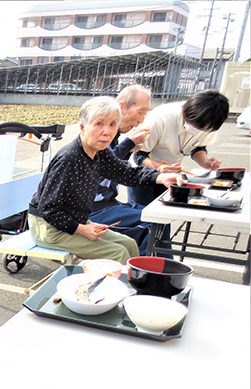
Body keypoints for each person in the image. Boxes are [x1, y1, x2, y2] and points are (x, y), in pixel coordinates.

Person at [28, 96, 180, 263]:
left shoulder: (99, 152)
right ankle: (114, 287)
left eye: (113, 124)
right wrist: (83, 229)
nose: (107, 131)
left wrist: (160, 176)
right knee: (118, 253)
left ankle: (129, 286)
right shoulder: (69, 159)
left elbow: (126, 173)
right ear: (83, 127)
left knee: (129, 244)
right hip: (50, 228)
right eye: (99, 123)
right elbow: (48, 209)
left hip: (75, 220)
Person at [88, 84, 170, 255]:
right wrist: (128, 144)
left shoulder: (114, 137)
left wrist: (158, 174)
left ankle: (151, 271)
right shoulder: (97, 136)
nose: (141, 120)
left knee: (154, 216)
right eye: (141, 112)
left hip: (107, 205)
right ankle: (152, 274)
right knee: (153, 223)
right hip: (92, 212)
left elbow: (118, 172)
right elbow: (99, 167)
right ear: (122, 107)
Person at [126, 89, 230, 208]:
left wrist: (205, 162)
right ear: (186, 112)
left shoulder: (210, 123)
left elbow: (198, 148)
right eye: (194, 124)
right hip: (143, 173)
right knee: (142, 213)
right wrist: (160, 167)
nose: (197, 130)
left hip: (171, 175)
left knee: (165, 213)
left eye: (203, 129)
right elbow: (139, 156)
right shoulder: (161, 118)